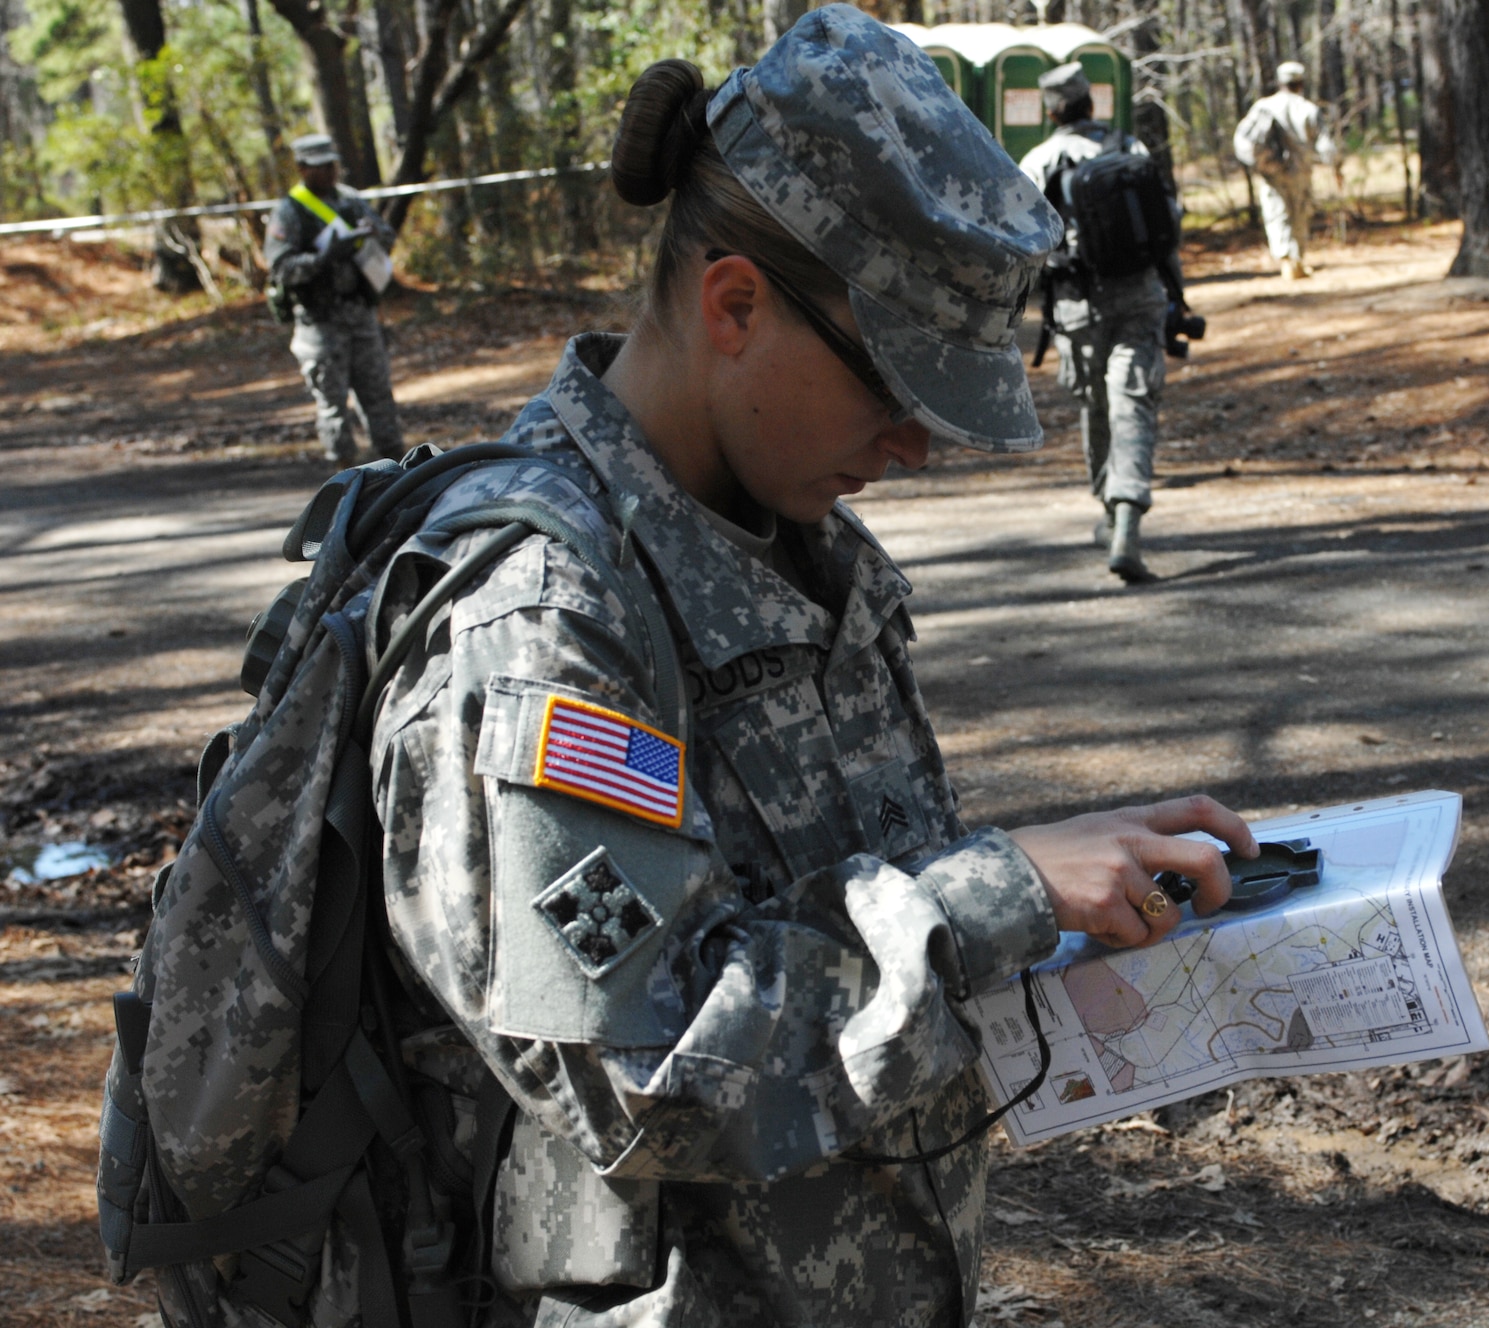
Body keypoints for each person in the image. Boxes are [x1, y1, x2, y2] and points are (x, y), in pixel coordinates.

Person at [365, 10, 1254, 1326]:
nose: (917, 448)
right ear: (736, 305)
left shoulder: (796, 542)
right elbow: (638, 1057)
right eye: (897, 389)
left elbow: (854, 914)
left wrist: (1084, 902)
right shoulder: (536, 613)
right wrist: (990, 898)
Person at [1018, 62, 1174, 583]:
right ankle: (1127, 515)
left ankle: (1111, 513)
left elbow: (1022, 239)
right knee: (1134, 402)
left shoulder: (1040, 160)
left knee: (1097, 405)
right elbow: (1168, 221)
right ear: (1091, 104)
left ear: (1051, 110)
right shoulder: (1129, 149)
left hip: (1076, 303)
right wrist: (1176, 295)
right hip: (1142, 294)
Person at [265, 133, 405, 463]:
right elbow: (280, 268)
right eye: (320, 167)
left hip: (360, 314)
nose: (329, 173)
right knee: (333, 405)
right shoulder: (290, 211)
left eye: (332, 165)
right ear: (302, 169)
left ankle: (395, 471)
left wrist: (371, 234)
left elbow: (387, 236)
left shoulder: (349, 201)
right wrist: (323, 258)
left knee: (379, 397)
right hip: (321, 323)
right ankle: (342, 478)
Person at [1234, 62, 1322, 279]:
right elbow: (1324, 143)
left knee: (1277, 213)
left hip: (1272, 171)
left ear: (1280, 82)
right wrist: (1336, 166)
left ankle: (1289, 260)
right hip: (1300, 171)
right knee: (1299, 213)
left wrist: (1260, 163)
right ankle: (1296, 260)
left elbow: (1243, 140)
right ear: (1301, 83)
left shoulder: (1264, 106)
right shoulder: (1308, 108)